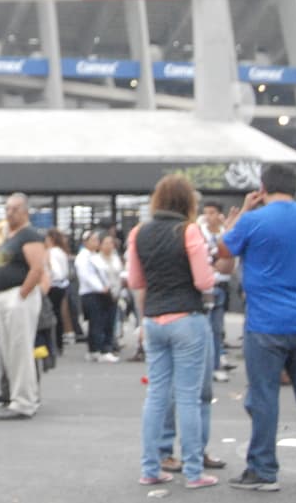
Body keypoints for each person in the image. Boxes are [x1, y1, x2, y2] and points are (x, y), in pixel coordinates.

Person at [217, 163, 296, 492]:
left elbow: (224, 250)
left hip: (265, 323)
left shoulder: (255, 220)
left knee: (264, 398)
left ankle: (263, 470)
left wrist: (244, 210)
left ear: (262, 187)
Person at [128, 174, 219, 489]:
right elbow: (204, 281)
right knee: (188, 397)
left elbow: (136, 281)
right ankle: (194, 472)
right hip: (187, 318)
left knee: (156, 395)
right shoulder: (189, 231)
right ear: (187, 202)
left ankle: (150, 467)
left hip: (154, 318)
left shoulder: (138, 232)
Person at [0, 193, 47, 420]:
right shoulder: (10, 236)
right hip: (4, 295)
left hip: (17, 296)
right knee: (9, 351)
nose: (9, 213)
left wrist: (21, 295)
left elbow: (37, 268)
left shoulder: (30, 235)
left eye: (14, 209)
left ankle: (24, 402)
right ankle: (18, 396)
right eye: (8, 209)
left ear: (25, 211)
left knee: (20, 350)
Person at [198, 201, 235, 381]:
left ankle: (216, 363)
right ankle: (205, 365)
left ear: (220, 214)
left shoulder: (224, 232)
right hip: (206, 284)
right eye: (206, 213)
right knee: (204, 327)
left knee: (217, 328)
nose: (209, 217)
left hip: (222, 283)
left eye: (212, 213)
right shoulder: (199, 231)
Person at [76, 230, 118, 362]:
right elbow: (87, 276)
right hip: (91, 293)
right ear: (85, 242)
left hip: (100, 292)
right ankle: (97, 349)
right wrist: (101, 288)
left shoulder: (95, 256)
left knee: (100, 321)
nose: (96, 242)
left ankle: (96, 348)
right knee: (97, 322)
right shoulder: (83, 257)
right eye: (93, 240)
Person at [45, 229, 73, 351]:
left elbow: (55, 270)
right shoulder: (62, 252)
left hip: (53, 285)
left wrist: (50, 276)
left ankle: (53, 343)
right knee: (59, 313)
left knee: (51, 314)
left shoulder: (51, 252)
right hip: (62, 285)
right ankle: (59, 343)